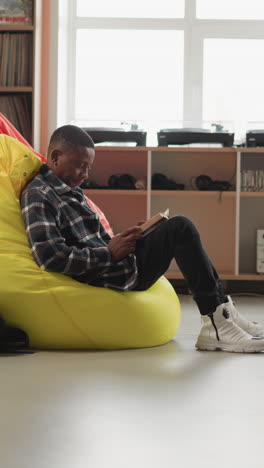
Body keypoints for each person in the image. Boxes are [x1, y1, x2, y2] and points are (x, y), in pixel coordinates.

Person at [20, 125, 264, 354]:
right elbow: (49, 255)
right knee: (180, 227)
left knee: (171, 226)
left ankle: (223, 314)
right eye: (80, 166)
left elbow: (90, 241)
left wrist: (126, 238)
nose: (85, 174)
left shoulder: (68, 189)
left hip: (115, 263)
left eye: (89, 168)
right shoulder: (39, 195)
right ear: (55, 157)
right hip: (107, 274)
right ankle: (216, 324)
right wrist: (110, 253)